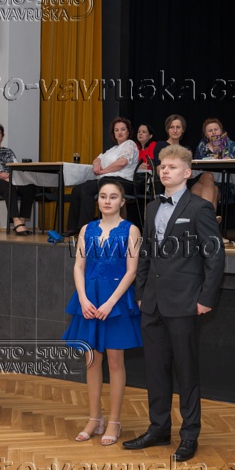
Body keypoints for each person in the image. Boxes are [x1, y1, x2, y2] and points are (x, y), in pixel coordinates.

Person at [123, 144, 225, 462]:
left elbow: (215, 255)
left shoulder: (200, 207)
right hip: (152, 302)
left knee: (186, 372)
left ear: (187, 172)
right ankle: (158, 429)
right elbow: (146, 252)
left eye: (172, 167)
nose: (165, 171)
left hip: (185, 302)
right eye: (162, 166)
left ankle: (189, 434)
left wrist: (206, 298)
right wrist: (141, 291)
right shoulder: (152, 207)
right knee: (156, 370)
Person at [63, 180, 142, 445]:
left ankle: (114, 421)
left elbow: (131, 271)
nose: (107, 201)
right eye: (103, 196)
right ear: (97, 200)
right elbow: (79, 266)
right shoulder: (87, 229)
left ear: (122, 201)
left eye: (113, 197)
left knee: (115, 361)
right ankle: (94, 418)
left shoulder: (131, 230)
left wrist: (110, 303)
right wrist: (83, 298)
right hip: (89, 299)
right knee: (92, 361)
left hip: (115, 301)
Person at [65, 117, 139, 235]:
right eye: (116, 130)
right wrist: (97, 165)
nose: (119, 132)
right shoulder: (113, 149)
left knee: (87, 189)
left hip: (122, 181)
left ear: (128, 132)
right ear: (113, 133)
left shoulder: (129, 144)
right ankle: (73, 228)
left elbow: (122, 162)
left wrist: (103, 171)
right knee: (77, 190)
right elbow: (98, 159)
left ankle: (87, 229)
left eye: (123, 129)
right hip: (107, 179)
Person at [0, 122, 38, 236]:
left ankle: (22, 221)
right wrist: (2, 176)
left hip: (11, 179)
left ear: (2, 136)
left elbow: (17, 168)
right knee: (9, 186)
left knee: (30, 187)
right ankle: (15, 220)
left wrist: (11, 176)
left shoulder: (9, 151)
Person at [158, 114, 220, 211]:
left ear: (182, 130)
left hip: (188, 181)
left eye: (178, 127)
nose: (175, 130)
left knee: (208, 176)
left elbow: (190, 171)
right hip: (174, 183)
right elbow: (159, 169)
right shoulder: (160, 145)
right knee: (214, 189)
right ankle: (208, 216)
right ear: (167, 129)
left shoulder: (187, 149)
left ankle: (206, 216)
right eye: (172, 127)